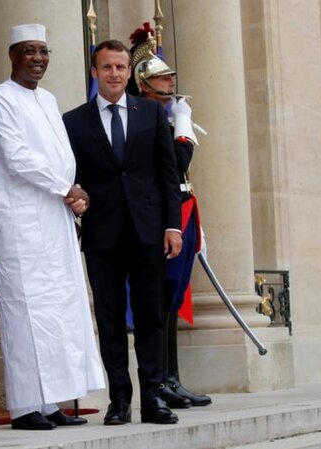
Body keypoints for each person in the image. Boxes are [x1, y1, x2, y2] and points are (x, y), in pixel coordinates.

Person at [0, 23, 105, 431]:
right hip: (22, 222)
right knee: (27, 313)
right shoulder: (1, 100)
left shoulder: (48, 100)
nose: (38, 58)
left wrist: (76, 191)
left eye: (44, 51)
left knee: (60, 311)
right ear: (13, 56)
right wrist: (63, 186)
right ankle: (24, 407)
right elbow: (17, 159)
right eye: (29, 51)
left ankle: (52, 402)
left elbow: (61, 157)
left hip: (55, 216)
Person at [63, 39, 182, 425]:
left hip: (149, 231)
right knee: (111, 320)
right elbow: (71, 176)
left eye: (120, 67)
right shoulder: (74, 121)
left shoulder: (150, 112)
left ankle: (153, 397)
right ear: (94, 73)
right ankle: (119, 400)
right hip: (102, 233)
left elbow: (167, 174)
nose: (114, 74)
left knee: (150, 318)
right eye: (107, 67)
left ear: (129, 72)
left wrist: (172, 225)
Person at [129, 33, 212, 408]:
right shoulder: (147, 121)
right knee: (162, 296)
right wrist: (184, 128)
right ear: (145, 84)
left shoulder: (162, 118)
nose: (171, 83)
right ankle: (159, 379)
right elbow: (178, 163)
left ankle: (171, 377)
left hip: (183, 207)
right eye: (163, 79)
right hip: (165, 212)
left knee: (173, 297)